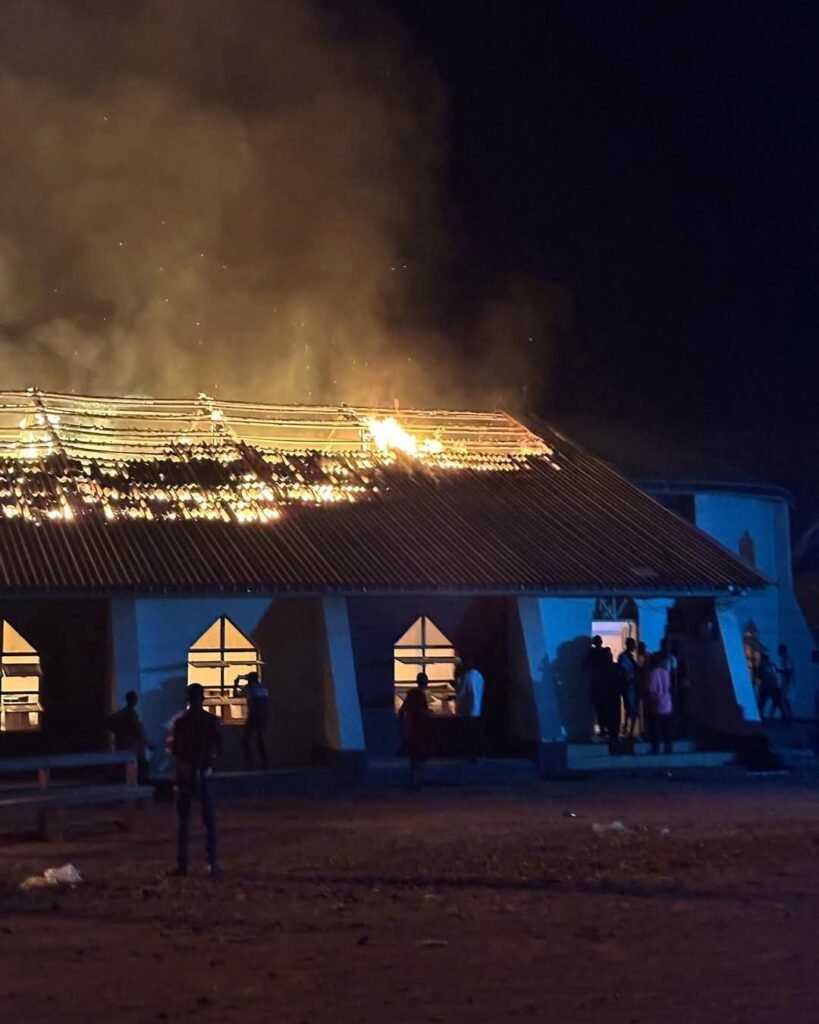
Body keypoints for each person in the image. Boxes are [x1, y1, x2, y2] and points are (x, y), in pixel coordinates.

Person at [167, 683, 223, 878]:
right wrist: (206, 764)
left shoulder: (181, 722)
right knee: (209, 821)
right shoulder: (211, 721)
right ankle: (212, 863)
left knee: (184, 822)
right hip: (203, 773)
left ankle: (183, 864)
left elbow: (175, 750)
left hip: (187, 774)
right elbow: (218, 748)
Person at [106, 690, 153, 784]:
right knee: (136, 766)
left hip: (129, 746)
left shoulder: (124, 713)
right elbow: (138, 731)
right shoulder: (129, 714)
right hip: (132, 746)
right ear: (134, 700)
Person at [398, 672, 431, 790]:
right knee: (420, 757)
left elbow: (402, 710)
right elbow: (423, 711)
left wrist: (403, 726)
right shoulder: (420, 695)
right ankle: (418, 782)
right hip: (420, 729)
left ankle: (413, 781)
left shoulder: (411, 694)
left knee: (414, 757)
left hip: (411, 729)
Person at [234, 670, 270, 769]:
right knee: (260, 739)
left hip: (253, 716)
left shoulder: (250, 687)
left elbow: (236, 695)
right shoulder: (263, 687)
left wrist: (236, 684)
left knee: (245, 740)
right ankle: (265, 762)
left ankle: (250, 763)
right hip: (263, 716)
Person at [455, 657, 485, 762]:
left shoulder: (464, 677)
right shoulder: (479, 676)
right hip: (477, 710)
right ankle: (476, 754)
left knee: (467, 735)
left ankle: (469, 755)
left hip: (466, 710)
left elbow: (460, 694)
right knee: (475, 734)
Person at [583, 635, 610, 738]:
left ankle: (602, 728)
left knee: (598, 708)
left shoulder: (592, 653)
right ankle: (604, 728)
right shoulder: (605, 652)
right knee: (604, 708)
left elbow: (584, 667)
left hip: (596, 683)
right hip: (605, 683)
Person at [646, 654, 674, 755]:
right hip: (667, 703)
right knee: (667, 728)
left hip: (656, 704)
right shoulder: (666, 672)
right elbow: (670, 686)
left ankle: (656, 747)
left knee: (656, 728)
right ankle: (668, 747)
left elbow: (651, 689)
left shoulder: (652, 673)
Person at [618, 638, 641, 738]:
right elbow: (623, 671)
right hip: (629, 686)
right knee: (631, 709)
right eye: (633, 644)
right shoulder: (624, 657)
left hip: (632, 686)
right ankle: (628, 729)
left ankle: (629, 729)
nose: (634, 647)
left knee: (632, 709)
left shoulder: (629, 657)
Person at [757, 647, 785, 720]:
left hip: (766, 687)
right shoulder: (772, 664)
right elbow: (775, 674)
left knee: (761, 705)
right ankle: (786, 721)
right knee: (779, 704)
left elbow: (760, 677)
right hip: (774, 686)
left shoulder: (762, 666)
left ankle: (761, 719)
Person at [776, 643, 795, 723]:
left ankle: (788, 719)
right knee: (784, 701)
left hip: (786, 682)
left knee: (782, 701)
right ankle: (788, 718)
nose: (778, 652)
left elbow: (788, 671)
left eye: (780, 650)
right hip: (786, 682)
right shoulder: (785, 659)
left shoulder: (787, 659)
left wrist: (778, 670)